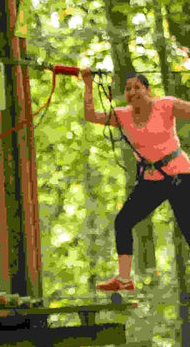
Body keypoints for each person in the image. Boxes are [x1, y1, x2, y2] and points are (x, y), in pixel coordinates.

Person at [81, 68, 190, 291]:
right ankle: (124, 280)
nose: (132, 92)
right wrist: (88, 84)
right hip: (152, 180)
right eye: (128, 89)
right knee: (123, 222)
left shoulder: (166, 105)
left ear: (148, 90)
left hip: (179, 175)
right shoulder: (122, 115)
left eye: (137, 87)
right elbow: (91, 115)